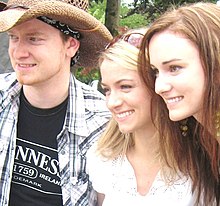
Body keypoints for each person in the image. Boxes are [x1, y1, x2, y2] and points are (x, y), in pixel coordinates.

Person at [0, 0, 112, 205]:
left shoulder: (104, 124)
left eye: (33, 39)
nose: (18, 52)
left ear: (71, 45)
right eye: (13, 38)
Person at [86, 29, 196, 206]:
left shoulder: (200, 162)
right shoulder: (103, 159)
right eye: (107, 90)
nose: (112, 102)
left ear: (157, 85)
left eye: (125, 86)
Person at [138, 2, 220, 205]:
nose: (159, 87)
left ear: (215, 63)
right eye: (155, 71)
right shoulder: (198, 138)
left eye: (174, 68)